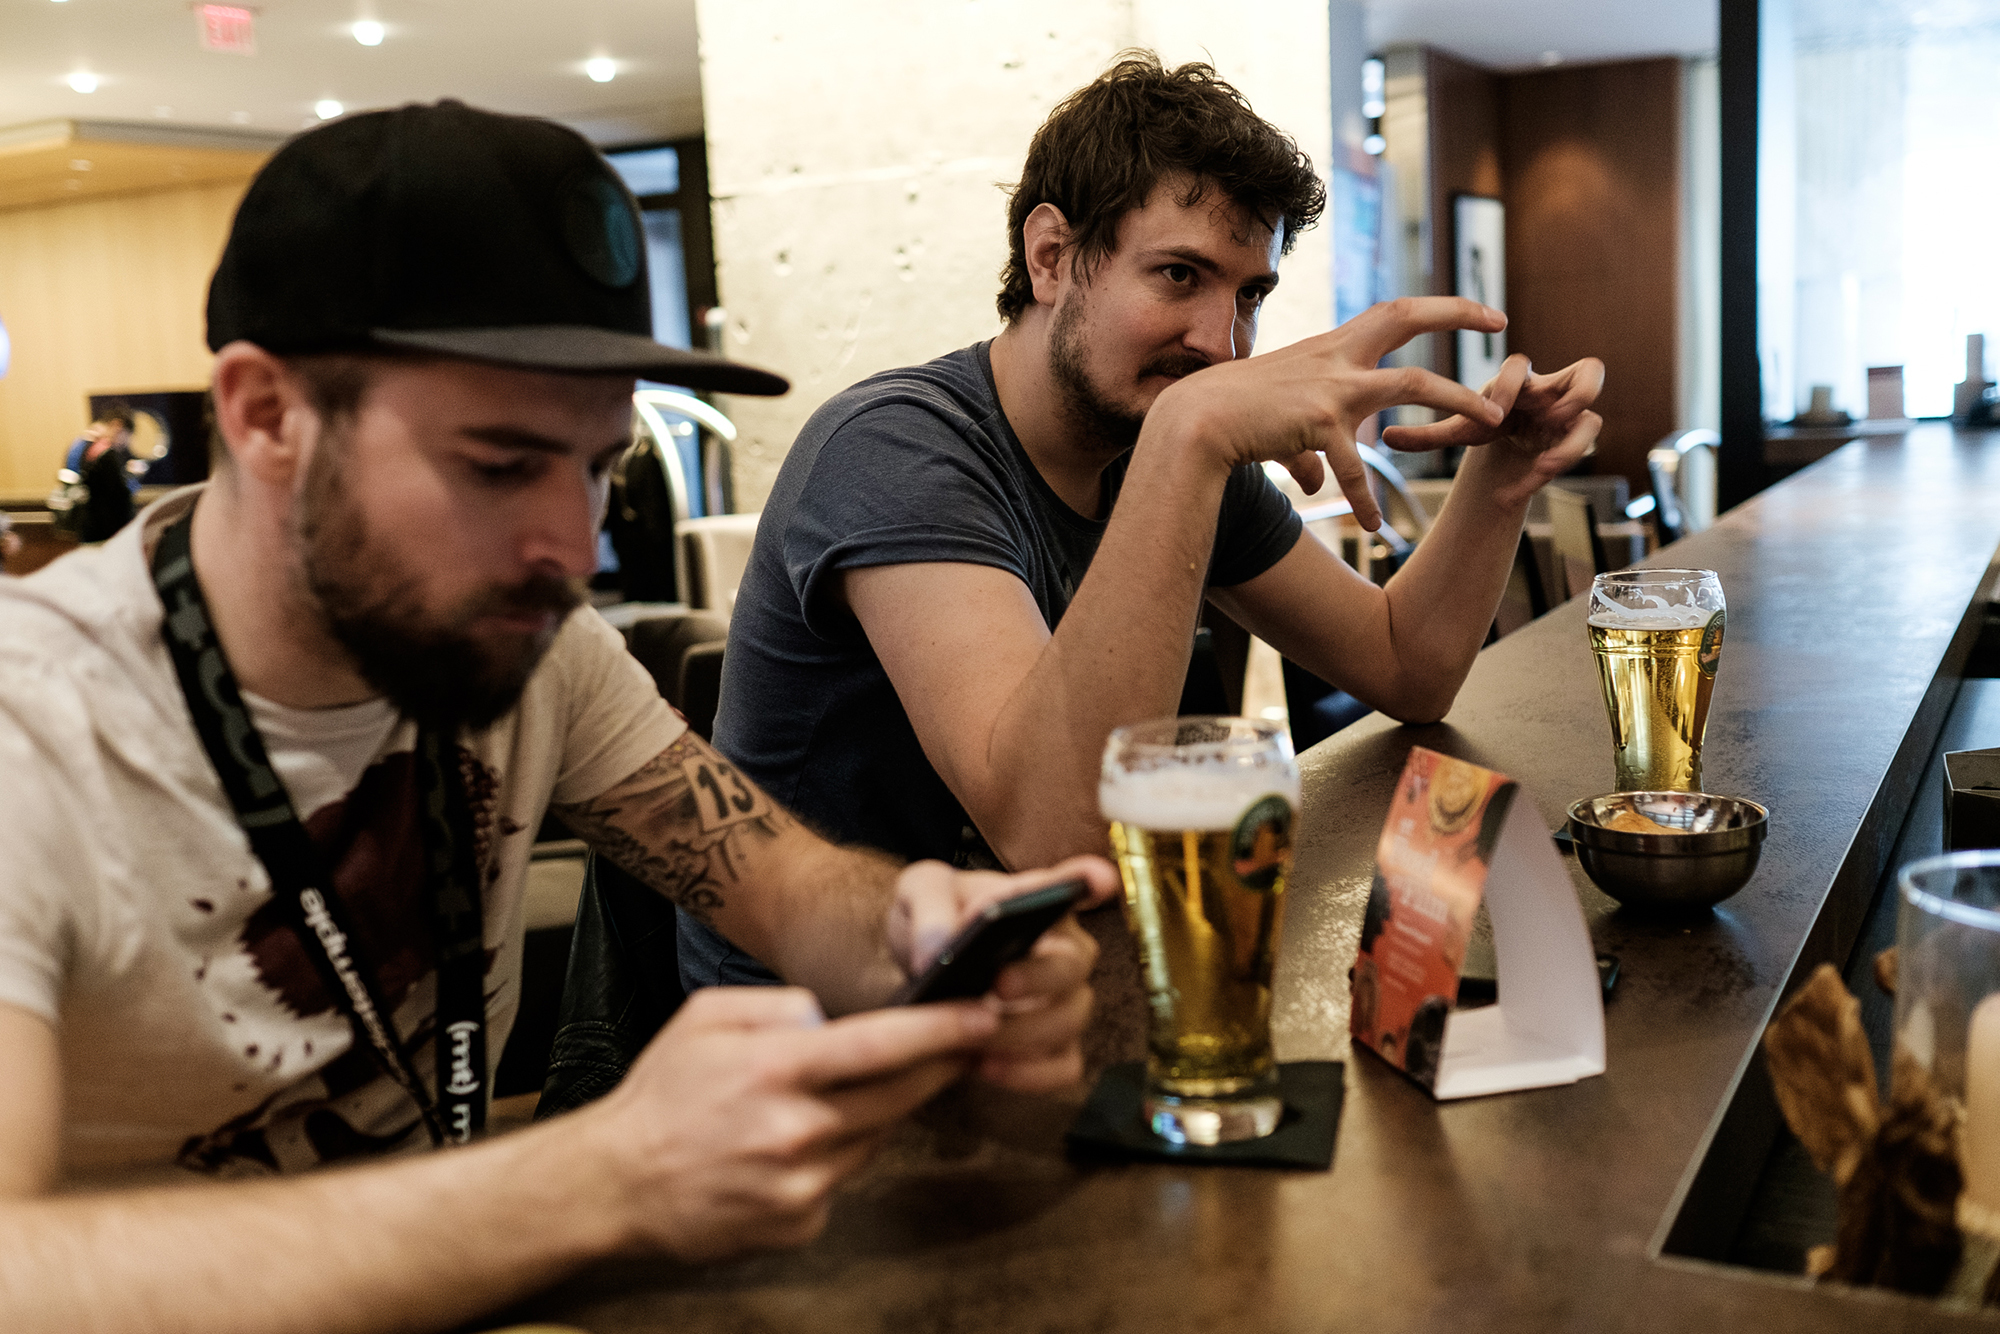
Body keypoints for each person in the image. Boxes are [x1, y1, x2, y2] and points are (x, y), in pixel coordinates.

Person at [0, 100, 1114, 1334]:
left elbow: (788, 888)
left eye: (595, 467)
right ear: (267, 415)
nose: (572, 549)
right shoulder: (31, 723)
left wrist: (919, 937)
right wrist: (597, 1174)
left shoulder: (533, 648)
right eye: (497, 465)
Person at [684, 53, 1603, 988]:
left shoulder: (1156, 440)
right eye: (1178, 275)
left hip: (1039, 985)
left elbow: (1405, 664)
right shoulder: (896, 450)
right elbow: (1058, 841)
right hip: (813, 1028)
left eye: (1249, 295)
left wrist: (1502, 475)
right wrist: (1192, 434)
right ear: (1051, 257)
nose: (1221, 342)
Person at [60, 405, 138, 543]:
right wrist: (132, 477)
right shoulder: (107, 453)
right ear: (118, 425)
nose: (126, 443)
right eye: (127, 435)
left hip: (90, 524)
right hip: (108, 528)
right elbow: (120, 495)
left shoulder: (86, 448)